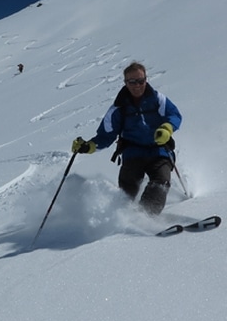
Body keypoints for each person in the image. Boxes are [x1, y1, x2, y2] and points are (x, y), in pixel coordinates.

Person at [72, 62, 182, 214]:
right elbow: (106, 135)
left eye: (141, 81)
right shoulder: (118, 108)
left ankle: (146, 217)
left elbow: (174, 115)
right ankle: (121, 217)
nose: (137, 86)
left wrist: (166, 129)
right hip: (133, 153)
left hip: (159, 151)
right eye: (132, 82)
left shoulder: (158, 99)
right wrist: (88, 146)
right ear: (125, 82)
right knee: (127, 190)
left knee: (161, 180)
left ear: (146, 80)